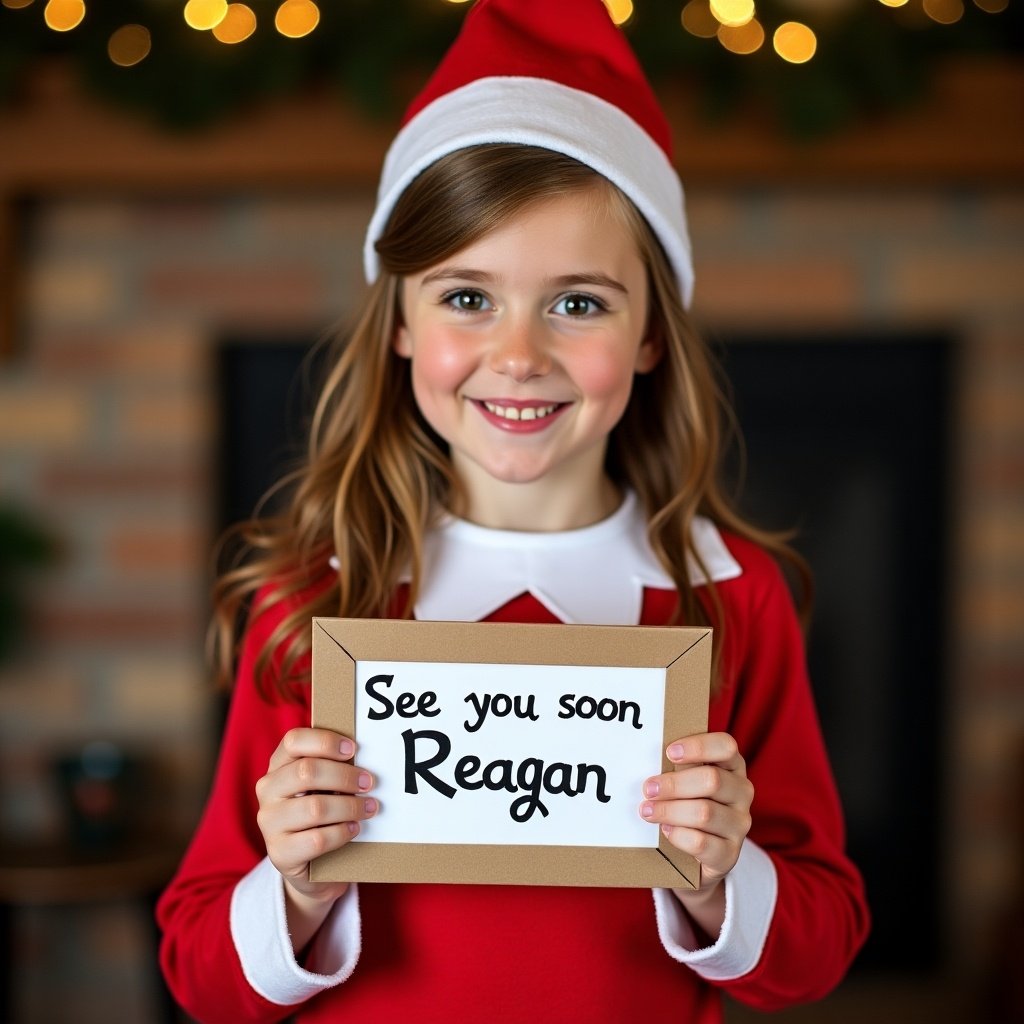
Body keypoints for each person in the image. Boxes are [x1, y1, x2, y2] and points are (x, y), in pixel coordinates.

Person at [156, 1, 869, 1021]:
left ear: (650, 335)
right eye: (466, 297)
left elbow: (817, 944)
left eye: (578, 302)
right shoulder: (314, 597)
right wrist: (299, 886)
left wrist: (722, 878)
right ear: (399, 322)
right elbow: (202, 973)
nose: (520, 354)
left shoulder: (732, 596)